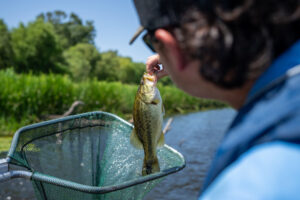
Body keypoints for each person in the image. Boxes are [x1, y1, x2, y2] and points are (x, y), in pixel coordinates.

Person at [129, 0, 300, 199]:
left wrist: (188, 59)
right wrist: (192, 59)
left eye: (151, 43)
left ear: (171, 47)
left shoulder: (248, 189)